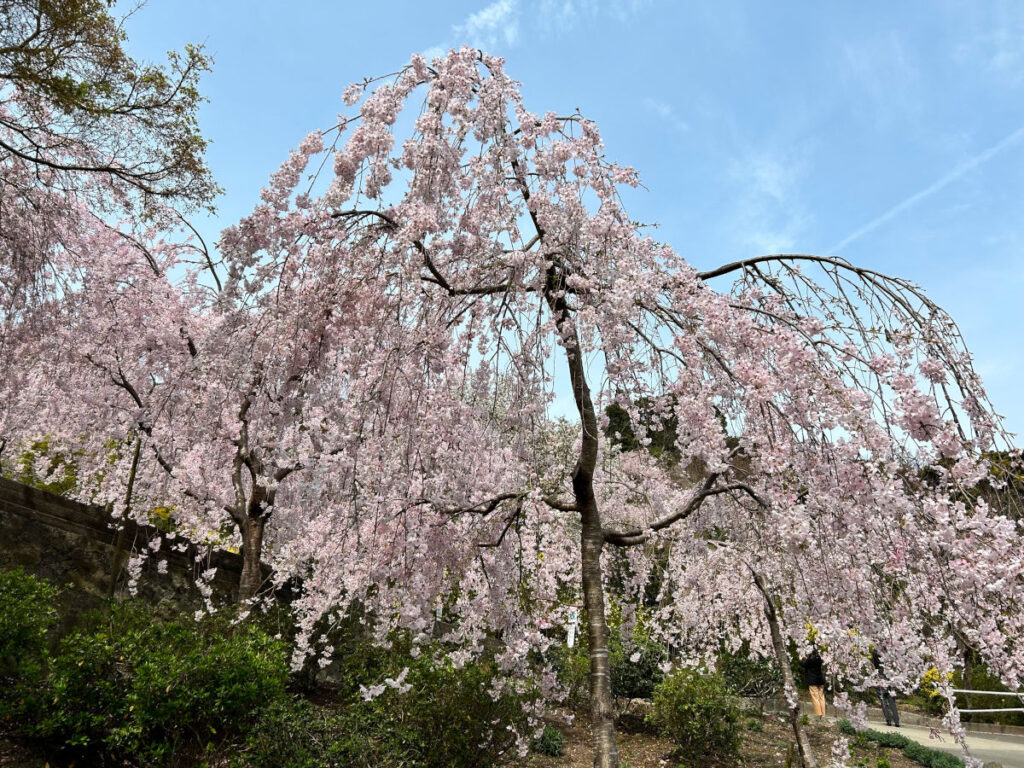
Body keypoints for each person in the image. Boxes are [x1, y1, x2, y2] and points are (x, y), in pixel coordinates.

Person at [871, 650, 900, 727]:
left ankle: (888, 721)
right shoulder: (888, 665)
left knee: (883, 702)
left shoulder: (875, 666)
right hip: (889, 682)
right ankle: (897, 721)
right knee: (892, 703)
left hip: (880, 683)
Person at [801, 649, 827, 717]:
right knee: (821, 697)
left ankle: (818, 714)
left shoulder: (810, 660)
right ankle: (823, 714)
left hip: (813, 681)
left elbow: (804, 665)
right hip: (820, 681)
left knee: (815, 697)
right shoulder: (819, 659)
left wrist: (800, 659)